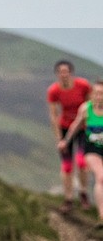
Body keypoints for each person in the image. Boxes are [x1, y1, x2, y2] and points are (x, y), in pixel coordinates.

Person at [48, 59, 91, 214]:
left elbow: (90, 106)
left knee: (82, 162)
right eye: (61, 72)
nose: (64, 75)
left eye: (66, 72)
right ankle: (68, 199)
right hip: (65, 128)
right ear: (57, 74)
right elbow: (54, 115)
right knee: (67, 166)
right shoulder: (54, 91)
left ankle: (83, 192)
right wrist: (59, 139)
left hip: (82, 128)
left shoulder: (83, 86)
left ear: (71, 73)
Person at [60, 80, 103, 227]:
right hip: (92, 149)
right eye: (96, 93)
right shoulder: (86, 109)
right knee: (101, 176)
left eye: (102, 94)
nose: (99, 97)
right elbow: (75, 126)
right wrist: (65, 141)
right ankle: (102, 215)